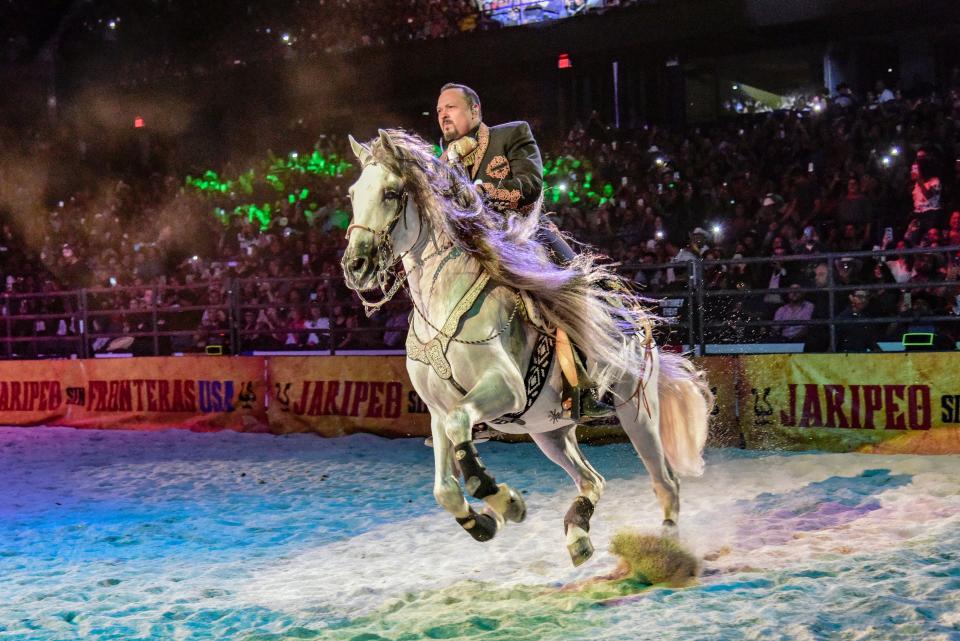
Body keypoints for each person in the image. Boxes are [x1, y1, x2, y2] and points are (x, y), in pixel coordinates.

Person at [435, 82, 611, 420]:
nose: (443, 113)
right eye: (439, 109)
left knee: (577, 288)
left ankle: (588, 384)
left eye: (451, 107)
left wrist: (482, 190)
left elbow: (530, 184)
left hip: (525, 235)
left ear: (475, 111)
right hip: (476, 249)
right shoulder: (443, 161)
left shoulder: (512, 133)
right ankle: (475, 406)